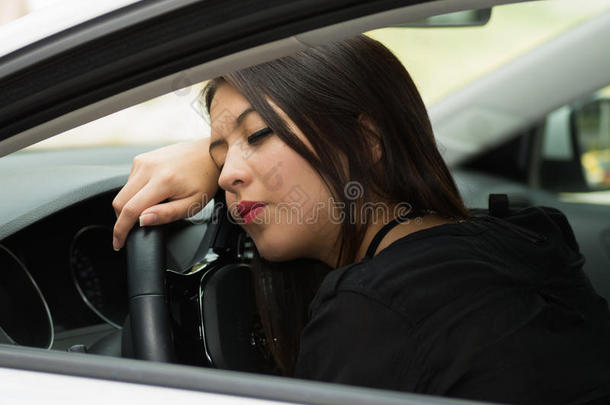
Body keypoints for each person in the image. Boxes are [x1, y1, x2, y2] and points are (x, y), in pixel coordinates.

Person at [112, 35, 610, 404]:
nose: (227, 176)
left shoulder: (376, 311)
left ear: (368, 143)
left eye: (259, 134)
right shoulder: (518, 242)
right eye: (220, 159)